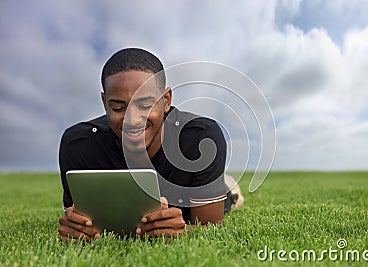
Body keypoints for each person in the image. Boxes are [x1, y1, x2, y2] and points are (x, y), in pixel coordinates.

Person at [58, 48, 242, 242]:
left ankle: (227, 186)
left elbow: (210, 228)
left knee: (225, 196)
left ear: (166, 100)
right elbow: (76, 217)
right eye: (118, 108)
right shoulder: (78, 143)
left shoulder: (201, 138)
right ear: (105, 103)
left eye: (145, 105)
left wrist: (184, 230)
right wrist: (76, 227)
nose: (132, 119)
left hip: (195, 194)